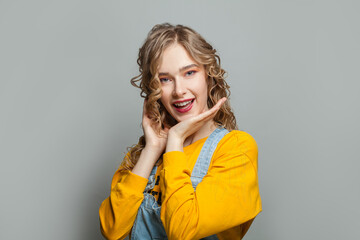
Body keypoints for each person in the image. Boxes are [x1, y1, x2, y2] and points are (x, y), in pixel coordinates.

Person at [99, 23, 262, 240]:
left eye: (189, 72)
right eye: (165, 79)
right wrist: (153, 149)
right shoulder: (143, 155)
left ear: (209, 75)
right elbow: (112, 230)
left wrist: (174, 142)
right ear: (154, 89)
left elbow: (183, 231)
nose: (178, 90)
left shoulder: (236, 149)